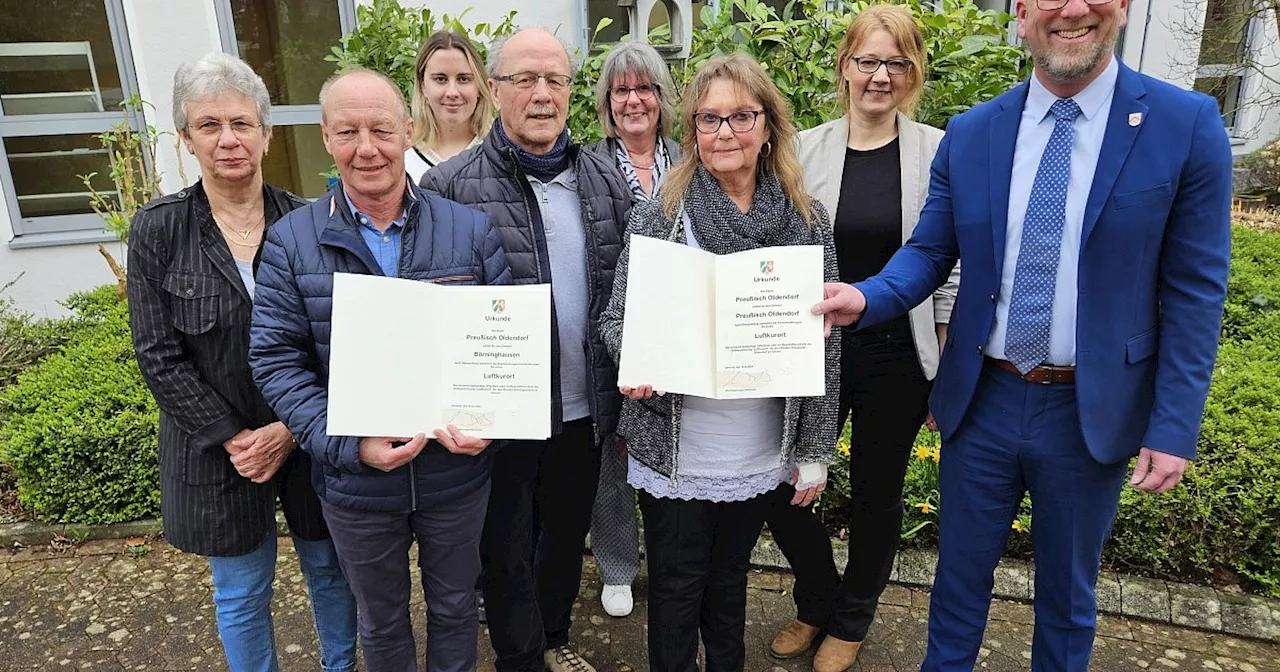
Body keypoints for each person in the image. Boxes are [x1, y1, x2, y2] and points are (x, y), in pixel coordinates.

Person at [811, 0, 1233, 669]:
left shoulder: (1184, 125)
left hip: (1085, 411)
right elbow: (929, 251)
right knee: (956, 587)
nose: (1071, 9)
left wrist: (1172, 425)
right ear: (1021, 13)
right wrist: (867, 297)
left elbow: (1195, 289)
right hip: (983, 402)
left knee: (1067, 601)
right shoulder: (975, 132)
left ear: (1122, 7)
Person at [248, 68, 512, 672]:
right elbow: (275, 358)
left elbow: (505, 340)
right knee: (382, 621)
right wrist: (349, 444)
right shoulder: (292, 241)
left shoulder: (467, 229)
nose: (366, 148)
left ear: (407, 131)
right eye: (348, 132)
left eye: (380, 129)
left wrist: (492, 418)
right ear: (326, 138)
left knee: (454, 609)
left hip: (454, 474)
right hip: (356, 484)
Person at [597, 52, 841, 672]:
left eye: (740, 117)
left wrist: (812, 448)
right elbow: (616, 320)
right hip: (679, 446)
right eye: (709, 119)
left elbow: (825, 344)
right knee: (677, 591)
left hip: (757, 445)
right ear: (693, 131)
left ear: (767, 127)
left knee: (729, 590)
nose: (724, 133)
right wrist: (635, 360)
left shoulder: (807, 221)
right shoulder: (662, 215)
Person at [126, 52, 358, 672]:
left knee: (332, 572)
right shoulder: (159, 230)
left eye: (240, 122)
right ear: (186, 138)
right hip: (218, 446)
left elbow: (336, 343)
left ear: (266, 131)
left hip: (306, 434)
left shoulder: (309, 222)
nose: (228, 139)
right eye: (209, 126)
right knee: (240, 591)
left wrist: (290, 427)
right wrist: (237, 437)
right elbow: (157, 353)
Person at [421, 27, 632, 672]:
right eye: (525, 80)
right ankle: (522, 659)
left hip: (581, 408)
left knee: (565, 540)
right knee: (506, 548)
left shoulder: (602, 179)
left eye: (556, 80)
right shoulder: (450, 187)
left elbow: (629, 290)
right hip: (500, 417)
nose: (542, 95)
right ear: (495, 90)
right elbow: (430, 308)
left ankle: (557, 638)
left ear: (571, 90)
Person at [764, 6, 958, 670]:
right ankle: (817, 596)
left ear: (912, 74)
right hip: (813, 347)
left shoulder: (939, 152)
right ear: (844, 66)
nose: (880, 76)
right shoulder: (802, 149)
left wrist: (943, 352)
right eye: (868, 61)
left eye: (896, 63)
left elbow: (950, 261)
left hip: (896, 352)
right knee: (781, 485)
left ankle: (852, 617)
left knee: (878, 491)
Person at [582, 40, 682, 619]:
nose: (634, 100)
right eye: (622, 90)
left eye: (645, 88)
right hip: (611, 325)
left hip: (677, 328)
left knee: (672, 447)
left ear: (662, 97)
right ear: (608, 101)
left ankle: (671, 562)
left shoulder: (688, 156)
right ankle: (618, 566)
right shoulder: (588, 164)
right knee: (613, 454)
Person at [404, 29, 496, 182]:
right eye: (440, 79)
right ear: (423, 87)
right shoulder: (405, 163)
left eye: (463, 79)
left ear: (479, 86)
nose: (452, 92)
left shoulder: (503, 152)